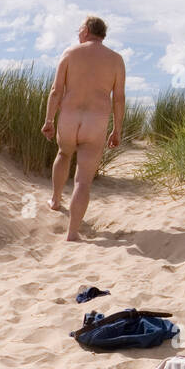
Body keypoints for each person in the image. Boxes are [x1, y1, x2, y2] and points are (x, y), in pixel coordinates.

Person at [41, 15, 126, 242]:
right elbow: (118, 99)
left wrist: (49, 120)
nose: (78, 33)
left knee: (63, 153)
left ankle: (56, 200)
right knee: (83, 181)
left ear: (87, 30)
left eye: (80, 29)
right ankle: (72, 232)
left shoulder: (70, 53)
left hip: (69, 118)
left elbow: (56, 91)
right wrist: (117, 129)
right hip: (96, 122)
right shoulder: (116, 60)